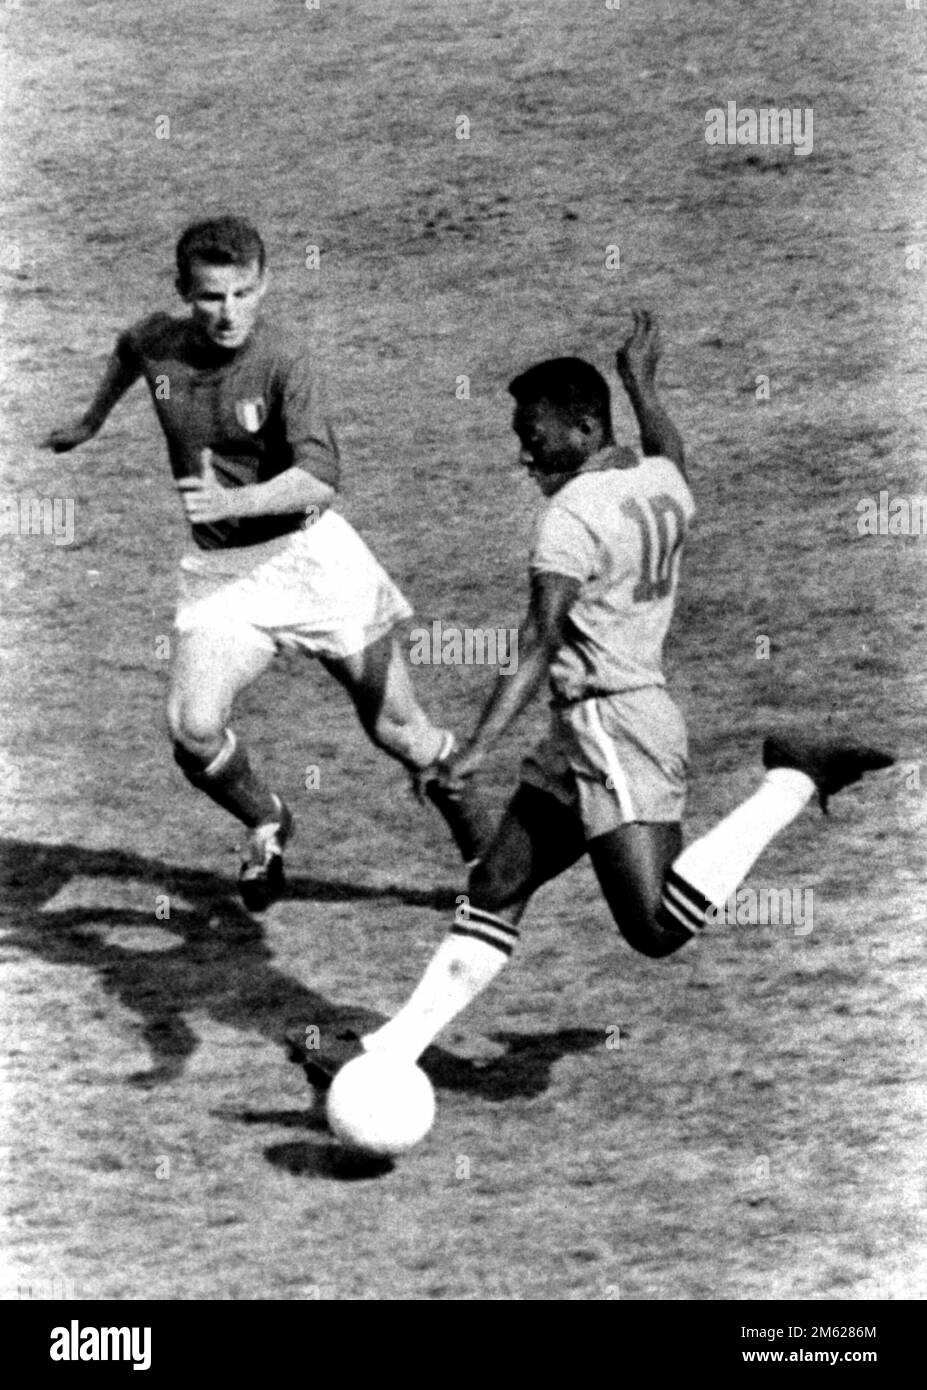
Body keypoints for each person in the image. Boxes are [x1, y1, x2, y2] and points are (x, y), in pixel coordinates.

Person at [289, 311, 893, 1086]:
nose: (524, 451)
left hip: (615, 726)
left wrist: (470, 753)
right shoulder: (657, 482)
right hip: (588, 731)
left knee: (654, 926)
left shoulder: (567, 517)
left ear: (581, 426)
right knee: (496, 883)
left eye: (534, 435)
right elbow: (670, 453)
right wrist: (643, 384)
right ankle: (386, 1053)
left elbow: (537, 643)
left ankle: (791, 779)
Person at [44, 216, 491, 910]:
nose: (229, 313)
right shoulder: (158, 340)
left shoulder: (287, 357)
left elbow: (320, 476)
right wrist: (90, 421)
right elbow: (129, 352)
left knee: (397, 729)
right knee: (192, 729)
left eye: (243, 293)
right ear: (183, 294)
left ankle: (488, 863)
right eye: (211, 297)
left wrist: (236, 501)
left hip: (313, 559)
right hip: (227, 575)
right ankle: (266, 820)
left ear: (265, 284)